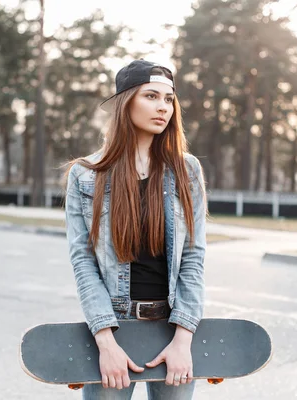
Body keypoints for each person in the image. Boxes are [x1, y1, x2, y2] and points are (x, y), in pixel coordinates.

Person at [64, 59, 207, 400]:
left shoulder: (186, 170)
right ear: (125, 103)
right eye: (151, 96)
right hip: (112, 326)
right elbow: (83, 262)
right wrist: (105, 340)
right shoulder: (86, 175)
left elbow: (194, 256)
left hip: (173, 327)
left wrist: (183, 338)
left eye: (169, 99)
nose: (163, 107)